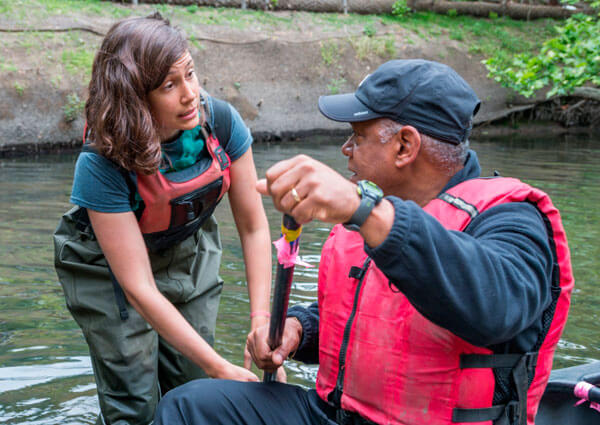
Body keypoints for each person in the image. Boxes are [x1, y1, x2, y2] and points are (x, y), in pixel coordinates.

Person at [153, 60, 574, 425]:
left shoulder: (513, 219)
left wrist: (364, 211)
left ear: (405, 146)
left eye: (358, 136)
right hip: (335, 414)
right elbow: (368, 317)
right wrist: (299, 328)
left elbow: (495, 305)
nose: (346, 149)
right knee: (191, 408)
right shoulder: (380, 209)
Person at [53, 13, 273, 425]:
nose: (191, 94)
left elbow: (255, 226)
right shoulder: (102, 162)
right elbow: (137, 287)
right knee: (135, 403)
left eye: (190, 73)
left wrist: (260, 321)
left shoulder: (221, 122)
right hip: (107, 270)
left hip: (186, 247)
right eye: (169, 85)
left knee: (195, 391)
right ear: (136, 95)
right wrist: (220, 367)